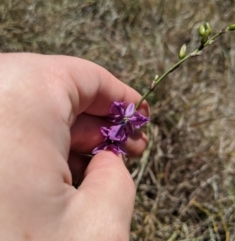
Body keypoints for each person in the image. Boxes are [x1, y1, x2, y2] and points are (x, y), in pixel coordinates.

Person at [0, 53, 149, 240]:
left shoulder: (122, 122)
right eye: (125, 119)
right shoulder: (117, 123)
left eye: (128, 120)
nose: (126, 119)